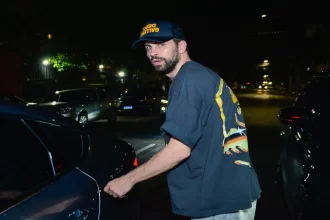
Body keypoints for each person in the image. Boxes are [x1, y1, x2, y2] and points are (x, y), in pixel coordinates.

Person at [104, 20, 261, 220]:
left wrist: (129, 179)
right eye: (148, 47)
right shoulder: (197, 75)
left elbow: (179, 149)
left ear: (181, 46)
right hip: (226, 194)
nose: (153, 53)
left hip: (219, 202)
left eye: (161, 45)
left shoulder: (189, 80)